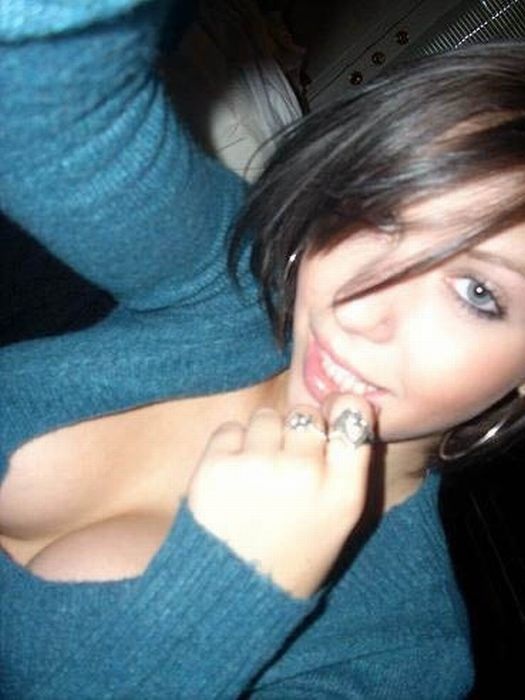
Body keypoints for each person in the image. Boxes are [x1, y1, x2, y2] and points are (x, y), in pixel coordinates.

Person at [1, 0, 524, 696]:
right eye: (379, 212)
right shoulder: (231, 278)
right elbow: (36, 91)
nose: (357, 306)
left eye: (477, 292)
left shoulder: (401, 657)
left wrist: (232, 589)